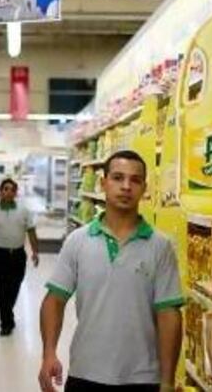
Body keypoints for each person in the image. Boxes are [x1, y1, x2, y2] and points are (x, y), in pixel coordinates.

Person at [39, 150, 183, 392]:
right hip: (85, 372)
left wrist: (167, 381)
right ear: (103, 183)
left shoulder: (160, 245)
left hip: (143, 378)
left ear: (144, 188)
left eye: (135, 180)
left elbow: (169, 314)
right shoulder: (78, 241)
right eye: (117, 178)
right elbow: (54, 300)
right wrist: (49, 353)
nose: (126, 186)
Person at [0, 177, 39, 336]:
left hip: (18, 254)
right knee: (1, 288)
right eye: (5, 189)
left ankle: (8, 313)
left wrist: (35, 252)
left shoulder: (23, 211)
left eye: (12, 189)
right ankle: (6, 323)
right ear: (0, 191)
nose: (8, 192)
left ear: (15, 192)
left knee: (15, 286)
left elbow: (31, 231)